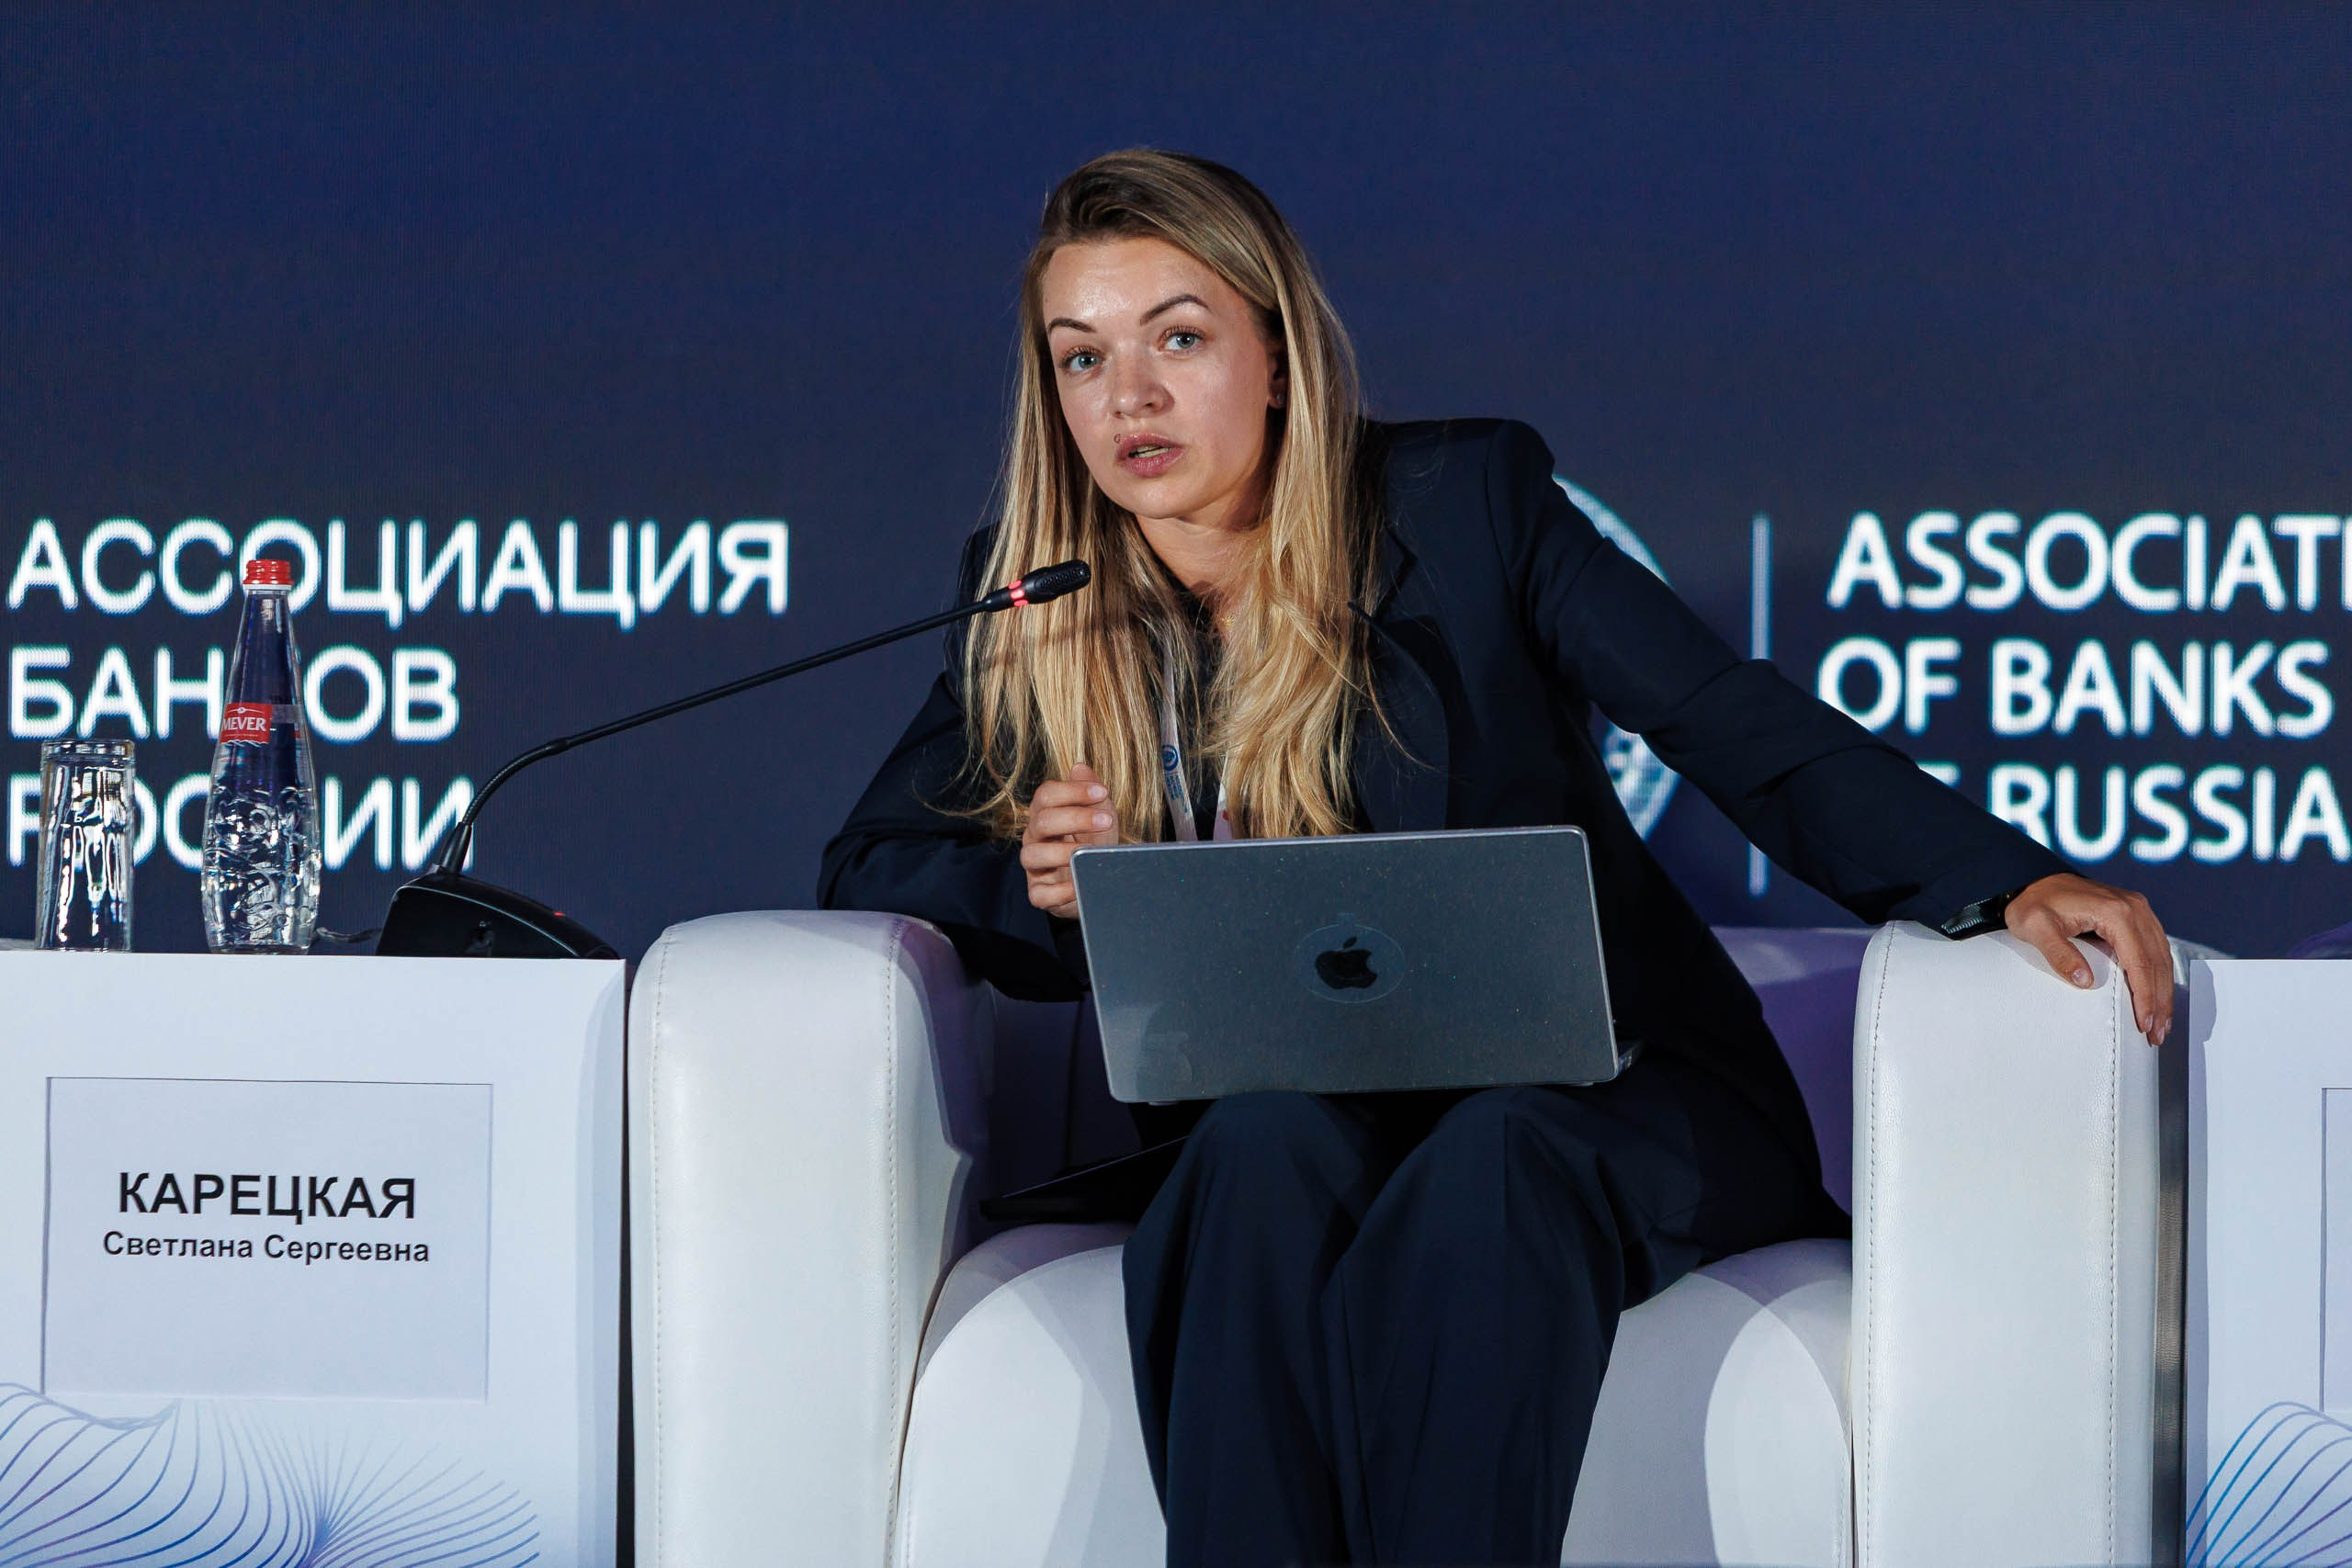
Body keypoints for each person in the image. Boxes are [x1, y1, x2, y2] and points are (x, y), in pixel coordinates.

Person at [820, 148, 2175, 1567]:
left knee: (1496, 1156)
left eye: (1179, 337)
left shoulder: (1460, 508)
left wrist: (1998, 876)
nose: (1131, 396)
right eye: (1082, 358)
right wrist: (1037, 893)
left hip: (1608, 1098)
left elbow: (1726, 722)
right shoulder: (1041, 595)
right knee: (1249, 1147)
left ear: (1275, 355)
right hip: (1303, 1113)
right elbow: (870, 865)